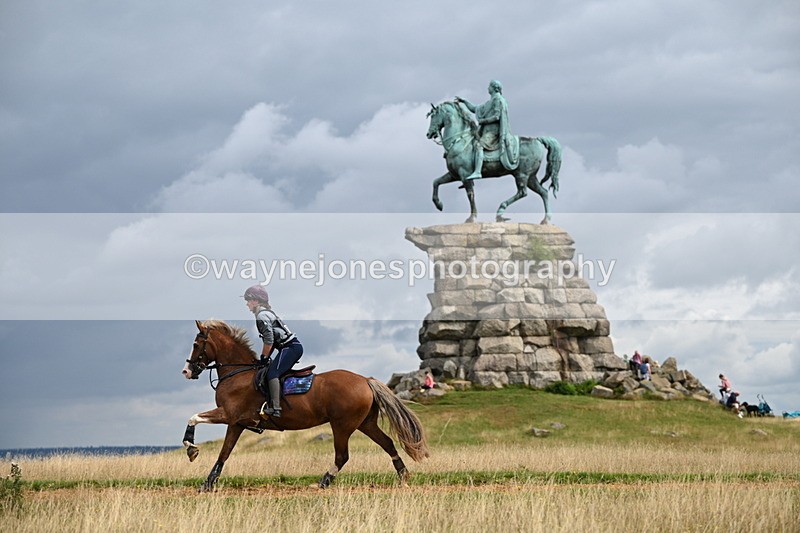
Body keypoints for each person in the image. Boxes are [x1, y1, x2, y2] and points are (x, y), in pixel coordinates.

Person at [243, 284, 303, 418]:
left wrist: (264, 357)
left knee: (272, 373)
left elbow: (269, 341)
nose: (247, 304)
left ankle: (276, 408)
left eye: (248, 300)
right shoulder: (266, 313)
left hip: (291, 347)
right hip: (290, 347)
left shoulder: (261, 316)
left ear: (256, 301)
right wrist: (264, 358)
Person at [455, 80, 518, 180]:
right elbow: (475, 109)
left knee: (479, 145)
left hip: (494, 132)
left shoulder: (498, 100)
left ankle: (478, 171)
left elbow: (497, 116)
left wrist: (483, 121)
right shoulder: (489, 102)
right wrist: (464, 101)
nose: (487, 88)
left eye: (489, 86)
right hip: (486, 131)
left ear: (494, 88)